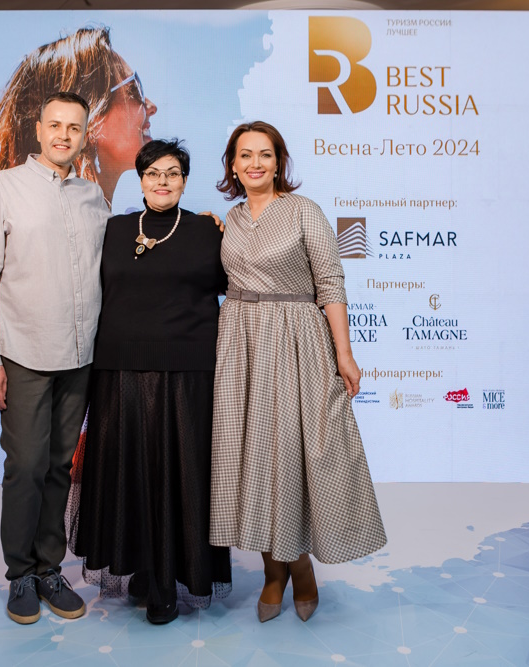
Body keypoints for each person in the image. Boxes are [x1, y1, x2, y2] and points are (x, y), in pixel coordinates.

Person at [209, 121, 387, 623]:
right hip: (240, 344)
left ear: (278, 162)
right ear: (232, 165)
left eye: (265, 154)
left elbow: (330, 282)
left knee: (292, 453)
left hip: (296, 341)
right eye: (245, 155)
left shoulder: (304, 211)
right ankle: (273, 570)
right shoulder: (229, 219)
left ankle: (299, 565)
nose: (255, 163)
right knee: (251, 456)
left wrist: (344, 353)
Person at [70, 139, 232, 624]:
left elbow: (237, 288)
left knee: (180, 474)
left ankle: (168, 582)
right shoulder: (114, 229)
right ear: (140, 180)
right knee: (129, 472)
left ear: (184, 181)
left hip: (188, 371)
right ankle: (141, 566)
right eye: (153, 173)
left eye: (173, 173)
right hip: (119, 369)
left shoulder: (208, 231)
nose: (163, 181)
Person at [0, 91, 108, 625]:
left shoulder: (94, 197)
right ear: (38, 129)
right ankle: (20, 574)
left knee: (59, 468)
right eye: (55, 125)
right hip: (22, 354)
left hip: (80, 357)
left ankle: (49, 569)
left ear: (85, 135)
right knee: (25, 467)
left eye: (74, 127)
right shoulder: (3, 188)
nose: (64, 135)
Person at [0, 26, 157, 214]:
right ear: (87, 114)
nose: (151, 106)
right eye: (134, 89)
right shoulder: (38, 215)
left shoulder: (102, 218)